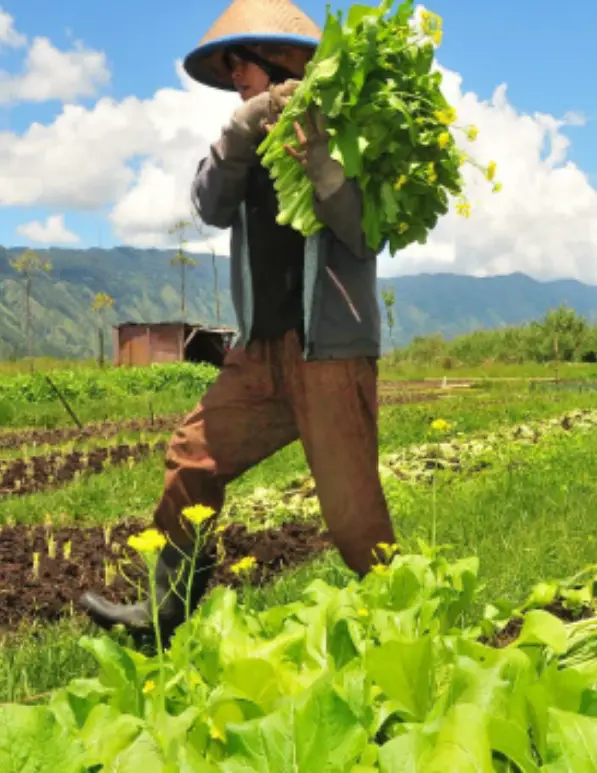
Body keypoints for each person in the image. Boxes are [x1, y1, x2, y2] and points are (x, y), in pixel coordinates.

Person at [80, 0, 397, 644]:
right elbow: (209, 205)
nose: (235, 83)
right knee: (192, 456)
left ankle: (412, 624)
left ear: (280, 65)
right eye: (230, 75)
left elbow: (365, 235)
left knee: (353, 518)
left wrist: (323, 165)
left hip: (327, 352)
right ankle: (165, 613)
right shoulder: (246, 144)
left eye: (242, 71)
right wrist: (237, 136)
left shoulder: (342, 136)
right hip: (258, 352)